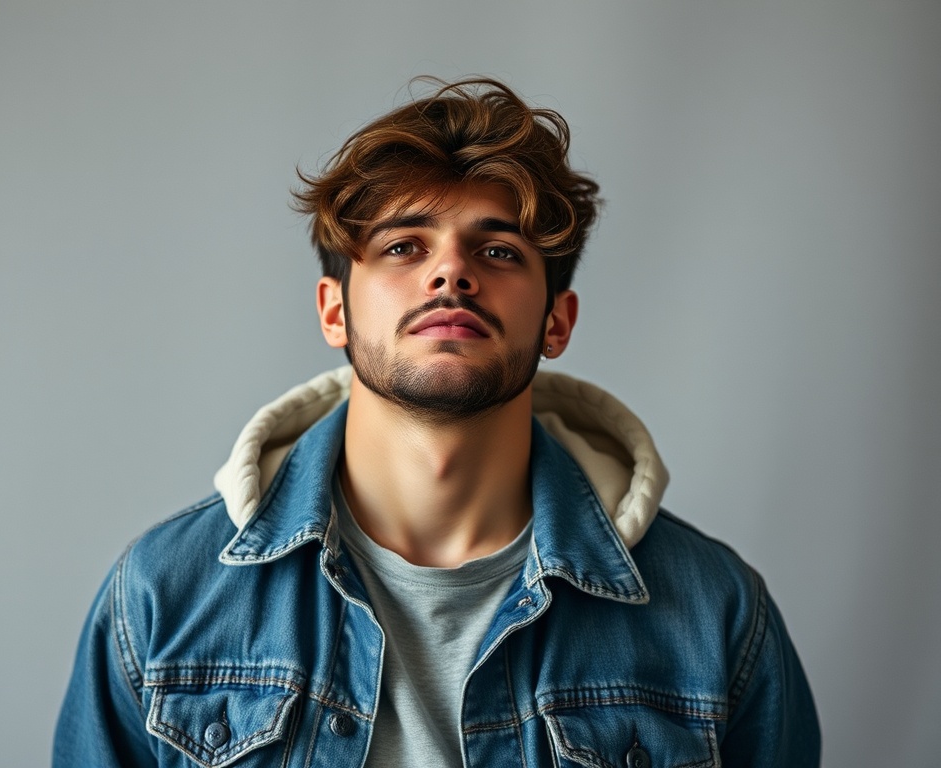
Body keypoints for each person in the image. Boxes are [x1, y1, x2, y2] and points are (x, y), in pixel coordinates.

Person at [54, 78, 820, 767]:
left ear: (557, 320)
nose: (450, 272)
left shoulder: (714, 615)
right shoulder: (162, 597)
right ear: (334, 311)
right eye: (402, 246)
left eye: (497, 249)